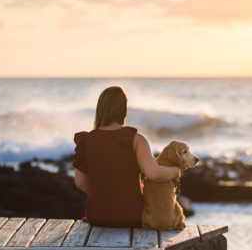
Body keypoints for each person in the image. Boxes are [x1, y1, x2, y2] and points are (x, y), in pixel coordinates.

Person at [73, 86, 180, 228]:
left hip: (98, 217)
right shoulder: (136, 140)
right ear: (124, 110)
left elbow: (80, 183)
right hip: (131, 216)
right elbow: (153, 174)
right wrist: (175, 171)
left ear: (99, 109)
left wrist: (105, 195)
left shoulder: (85, 140)